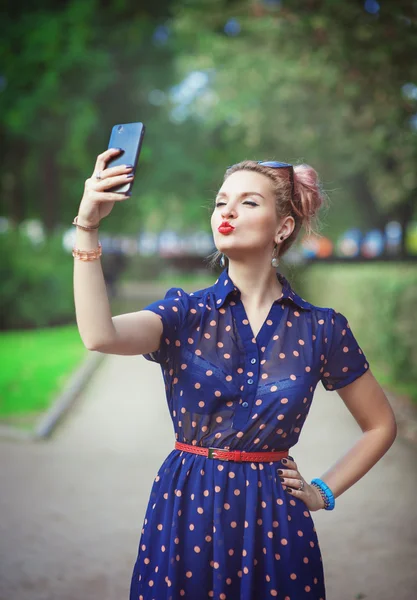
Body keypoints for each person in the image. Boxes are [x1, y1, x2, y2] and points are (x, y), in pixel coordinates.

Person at [73, 149, 397, 600]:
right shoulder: (185, 314)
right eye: (222, 200)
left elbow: (380, 425)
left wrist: (322, 491)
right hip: (188, 508)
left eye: (249, 202)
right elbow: (100, 335)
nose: (227, 210)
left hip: (278, 521)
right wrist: (87, 226)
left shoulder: (322, 328)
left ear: (283, 227)